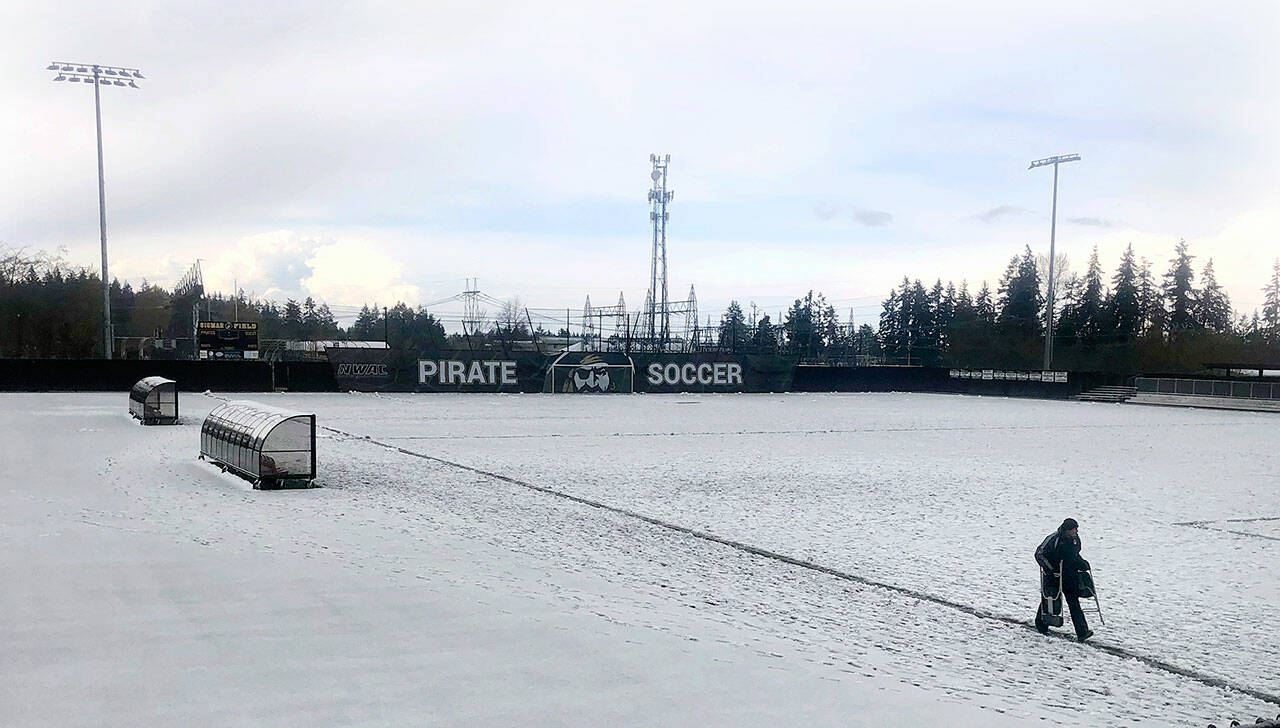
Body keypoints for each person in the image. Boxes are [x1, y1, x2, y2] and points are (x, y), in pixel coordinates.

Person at [1034, 518, 1094, 642]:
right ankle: (1041, 624)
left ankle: (1082, 632)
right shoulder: (1053, 538)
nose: (1076, 531)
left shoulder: (1075, 540)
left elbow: (1074, 555)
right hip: (1053, 576)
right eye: (1074, 529)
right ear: (1067, 530)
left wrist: (1082, 563)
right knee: (1050, 598)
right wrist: (1051, 569)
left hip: (1069, 576)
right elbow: (1039, 554)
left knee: (1074, 603)